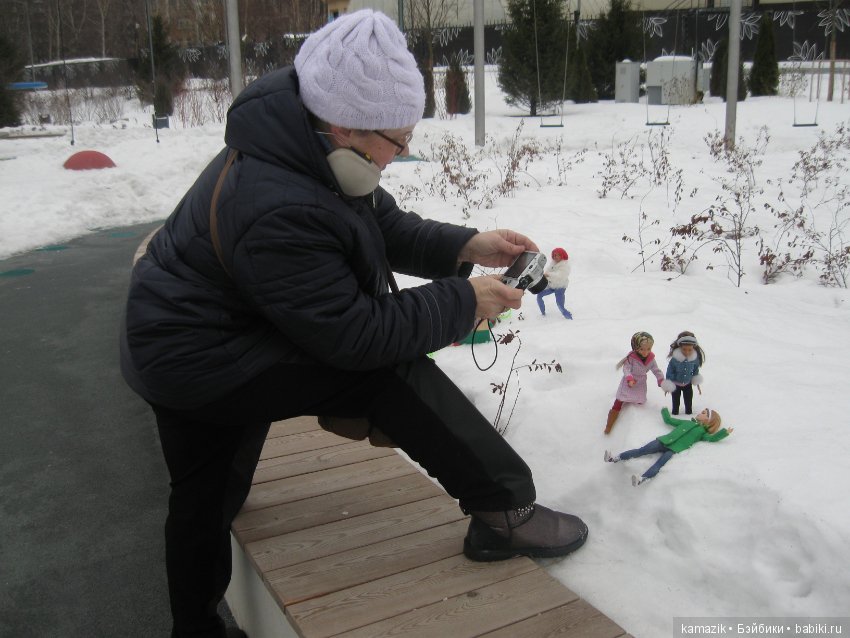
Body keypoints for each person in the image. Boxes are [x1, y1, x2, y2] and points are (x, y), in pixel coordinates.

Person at [119, 10, 587, 638]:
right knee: (384, 371)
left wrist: (470, 245)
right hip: (201, 355)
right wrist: (466, 301)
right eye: (399, 139)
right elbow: (358, 336)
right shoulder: (278, 202)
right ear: (346, 125)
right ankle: (503, 509)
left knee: (204, 494)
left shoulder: (303, 145)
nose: (405, 151)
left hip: (188, 336)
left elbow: (380, 226)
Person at [604, 407, 732, 485]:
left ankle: (642, 479)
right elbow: (670, 420)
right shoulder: (686, 422)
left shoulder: (702, 433)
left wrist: (724, 433)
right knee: (641, 450)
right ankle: (616, 457)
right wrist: (665, 411)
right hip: (664, 441)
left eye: (704, 413)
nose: (700, 413)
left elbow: (711, 438)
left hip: (673, 449)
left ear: (710, 420)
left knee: (658, 464)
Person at [605, 331, 664, 435]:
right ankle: (609, 425)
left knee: (640, 400)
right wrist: (629, 378)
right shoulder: (631, 358)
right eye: (642, 349)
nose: (646, 352)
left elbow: (656, 370)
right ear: (636, 348)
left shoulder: (651, 359)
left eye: (648, 349)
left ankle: (638, 414)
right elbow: (626, 368)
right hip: (629, 382)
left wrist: (661, 380)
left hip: (640, 383)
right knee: (619, 399)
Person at [660, 331, 705, 415]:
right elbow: (670, 371)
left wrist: (697, 382)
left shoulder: (694, 359)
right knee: (675, 401)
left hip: (688, 384)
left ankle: (689, 413)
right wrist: (669, 384)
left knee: (688, 401)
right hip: (676, 385)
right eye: (684, 349)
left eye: (690, 350)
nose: (687, 352)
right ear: (680, 347)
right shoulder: (675, 359)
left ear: (693, 348)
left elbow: (695, 370)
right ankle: (675, 413)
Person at [536, 247, 572, 319]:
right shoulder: (553, 263)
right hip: (551, 285)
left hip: (560, 287)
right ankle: (543, 314)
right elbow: (547, 271)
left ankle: (568, 317)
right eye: (554, 255)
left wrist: (549, 274)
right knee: (539, 296)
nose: (555, 257)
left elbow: (560, 275)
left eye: (557, 255)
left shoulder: (565, 265)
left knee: (560, 305)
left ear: (562, 255)